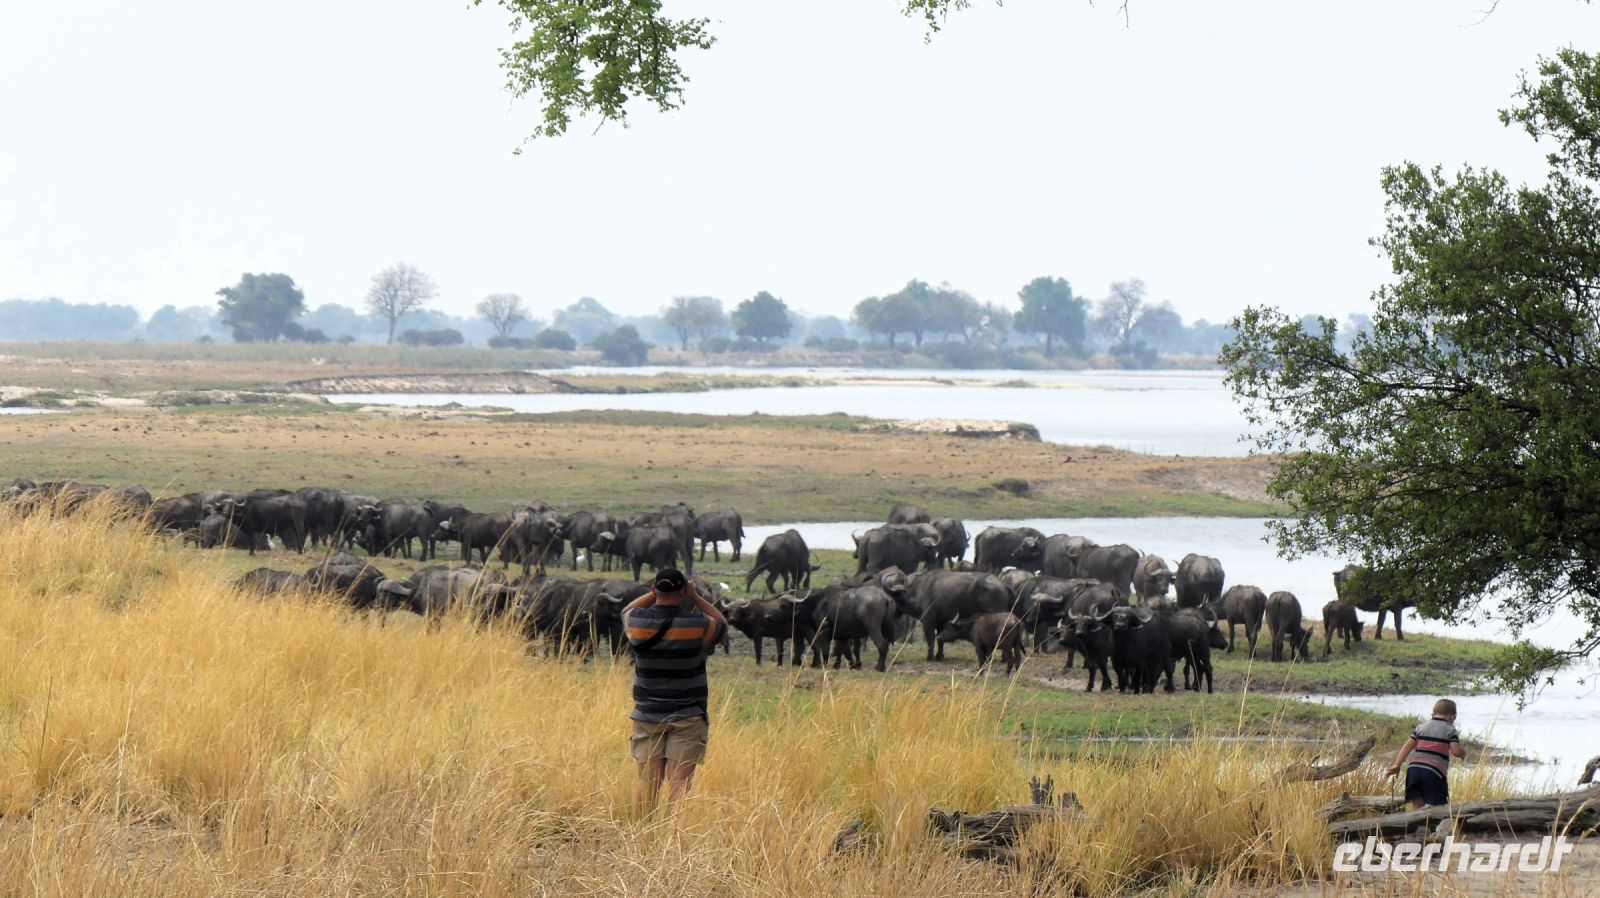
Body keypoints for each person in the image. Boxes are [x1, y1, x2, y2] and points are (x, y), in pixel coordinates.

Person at [621, 568, 726, 814]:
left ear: (656, 589)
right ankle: (673, 842)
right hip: (688, 715)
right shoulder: (697, 623)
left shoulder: (637, 622)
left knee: (648, 781)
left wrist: (651, 593)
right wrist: (696, 598)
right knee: (680, 782)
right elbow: (721, 623)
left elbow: (624, 610)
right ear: (683, 591)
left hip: (647, 715)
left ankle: (642, 839)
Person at [1386, 698, 1467, 809]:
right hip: (1434, 772)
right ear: (1453, 717)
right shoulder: (1450, 730)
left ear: (1432, 714)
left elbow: (1407, 747)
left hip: (1413, 770)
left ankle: (1416, 824)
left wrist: (1397, 765)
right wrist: (1463, 753)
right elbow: (1456, 751)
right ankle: (1434, 825)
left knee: (1417, 805)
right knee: (1440, 807)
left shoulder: (1420, 727)